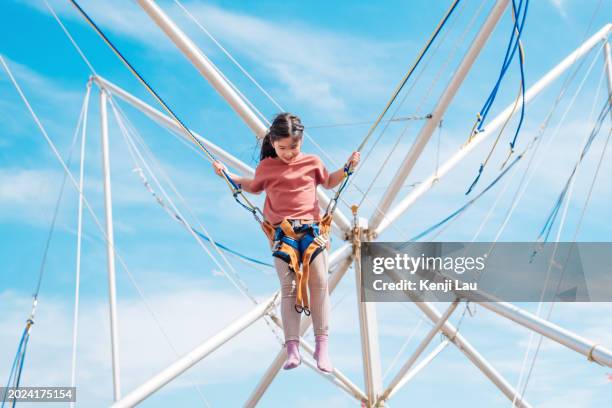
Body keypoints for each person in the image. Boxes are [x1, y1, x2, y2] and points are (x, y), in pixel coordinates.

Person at [213, 112, 359, 372]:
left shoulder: (312, 162)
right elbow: (252, 185)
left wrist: (347, 169)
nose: (289, 153)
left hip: (313, 230)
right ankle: (292, 347)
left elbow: (328, 181)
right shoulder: (266, 168)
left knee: (320, 281)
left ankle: (321, 347)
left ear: (301, 141)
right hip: (283, 233)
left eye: (294, 146)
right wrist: (228, 175)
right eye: (283, 148)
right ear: (272, 142)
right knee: (289, 286)